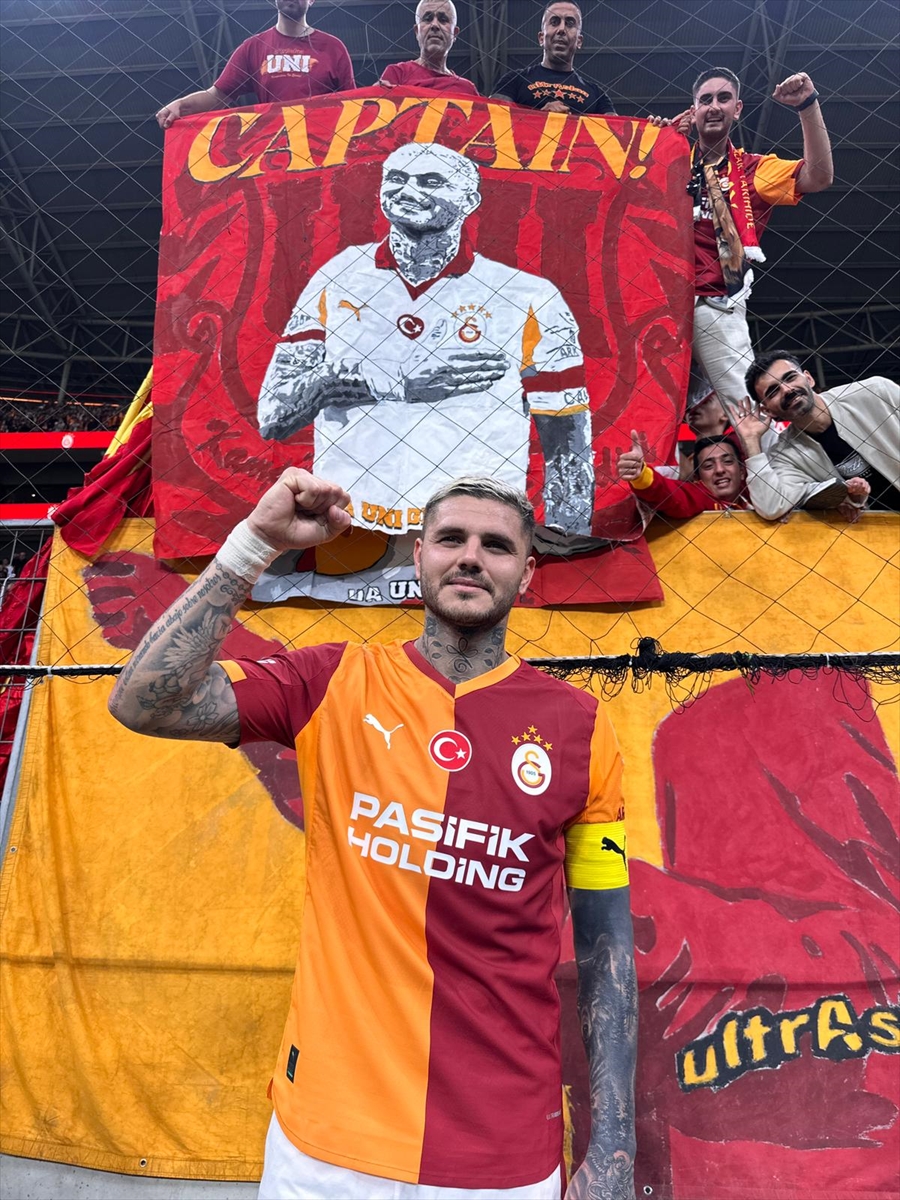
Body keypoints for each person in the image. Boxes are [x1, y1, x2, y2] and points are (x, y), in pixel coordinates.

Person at [107, 469, 638, 1200]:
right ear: (418, 557)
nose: (470, 557)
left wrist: (614, 1146)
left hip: (501, 1153)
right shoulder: (332, 681)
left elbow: (607, 947)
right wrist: (254, 543)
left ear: (526, 573)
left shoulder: (580, 727)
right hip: (326, 1144)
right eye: (450, 539)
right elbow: (143, 702)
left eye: (496, 546)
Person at [257, 142, 596, 537]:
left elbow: (567, 445)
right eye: (396, 179)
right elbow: (273, 415)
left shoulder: (529, 296)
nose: (408, 190)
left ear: (470, 201)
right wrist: (394, 382)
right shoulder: (338, 276)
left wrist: (567, 538)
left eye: (431, 181)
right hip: (350, 530)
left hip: (469, 539)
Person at [683, 66, 833, 423]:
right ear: (693, 110)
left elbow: (819, 176)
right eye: (705, 100)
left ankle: (776, 463)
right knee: (648, 409)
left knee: (746, 409)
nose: (714, 106)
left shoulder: (755, 170)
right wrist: (653, 137)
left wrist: (807, 105)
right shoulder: (664, 164)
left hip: (714, 305)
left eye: (723, 98)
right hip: (656, 303)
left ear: (737, 109)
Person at [735, 351, 900, 521]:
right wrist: (751, 441)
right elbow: (771, 507)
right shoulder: (785, 455)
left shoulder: (875, 392)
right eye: (773, 392)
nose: (787, 390)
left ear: (809, 378)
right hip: (881, 530)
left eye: (790, 378)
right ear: (768, 410)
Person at [155, 0, 354, 130]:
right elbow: (217, 95)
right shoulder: (253, 47)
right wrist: (181, 105)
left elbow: (354, 105)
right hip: (272, 148)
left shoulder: (333, 48)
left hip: (323, 148)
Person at [492, 2, 615, 116]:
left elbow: (617, 130)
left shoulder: (597, 95)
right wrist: (541, 117)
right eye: (554, 22)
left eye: (570, 23)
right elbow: (491, 120)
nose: (561, 29)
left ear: (579, 41)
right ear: (541, 38)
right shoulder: (513, 80)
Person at [617, 431, 748, 519]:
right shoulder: (697, 498)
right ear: (697, 478)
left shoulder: (754, 500)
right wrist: (641, 475)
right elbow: (669, 493)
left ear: (742, 472)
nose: (719, 470)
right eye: (708, 466)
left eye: (727, 461)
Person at [379, 0, 479, 97]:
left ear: (455, 34)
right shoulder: (397, 74)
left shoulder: (467, 89)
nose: (434, 25)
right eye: (427, 19)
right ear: (417, 31)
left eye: (443, 20)